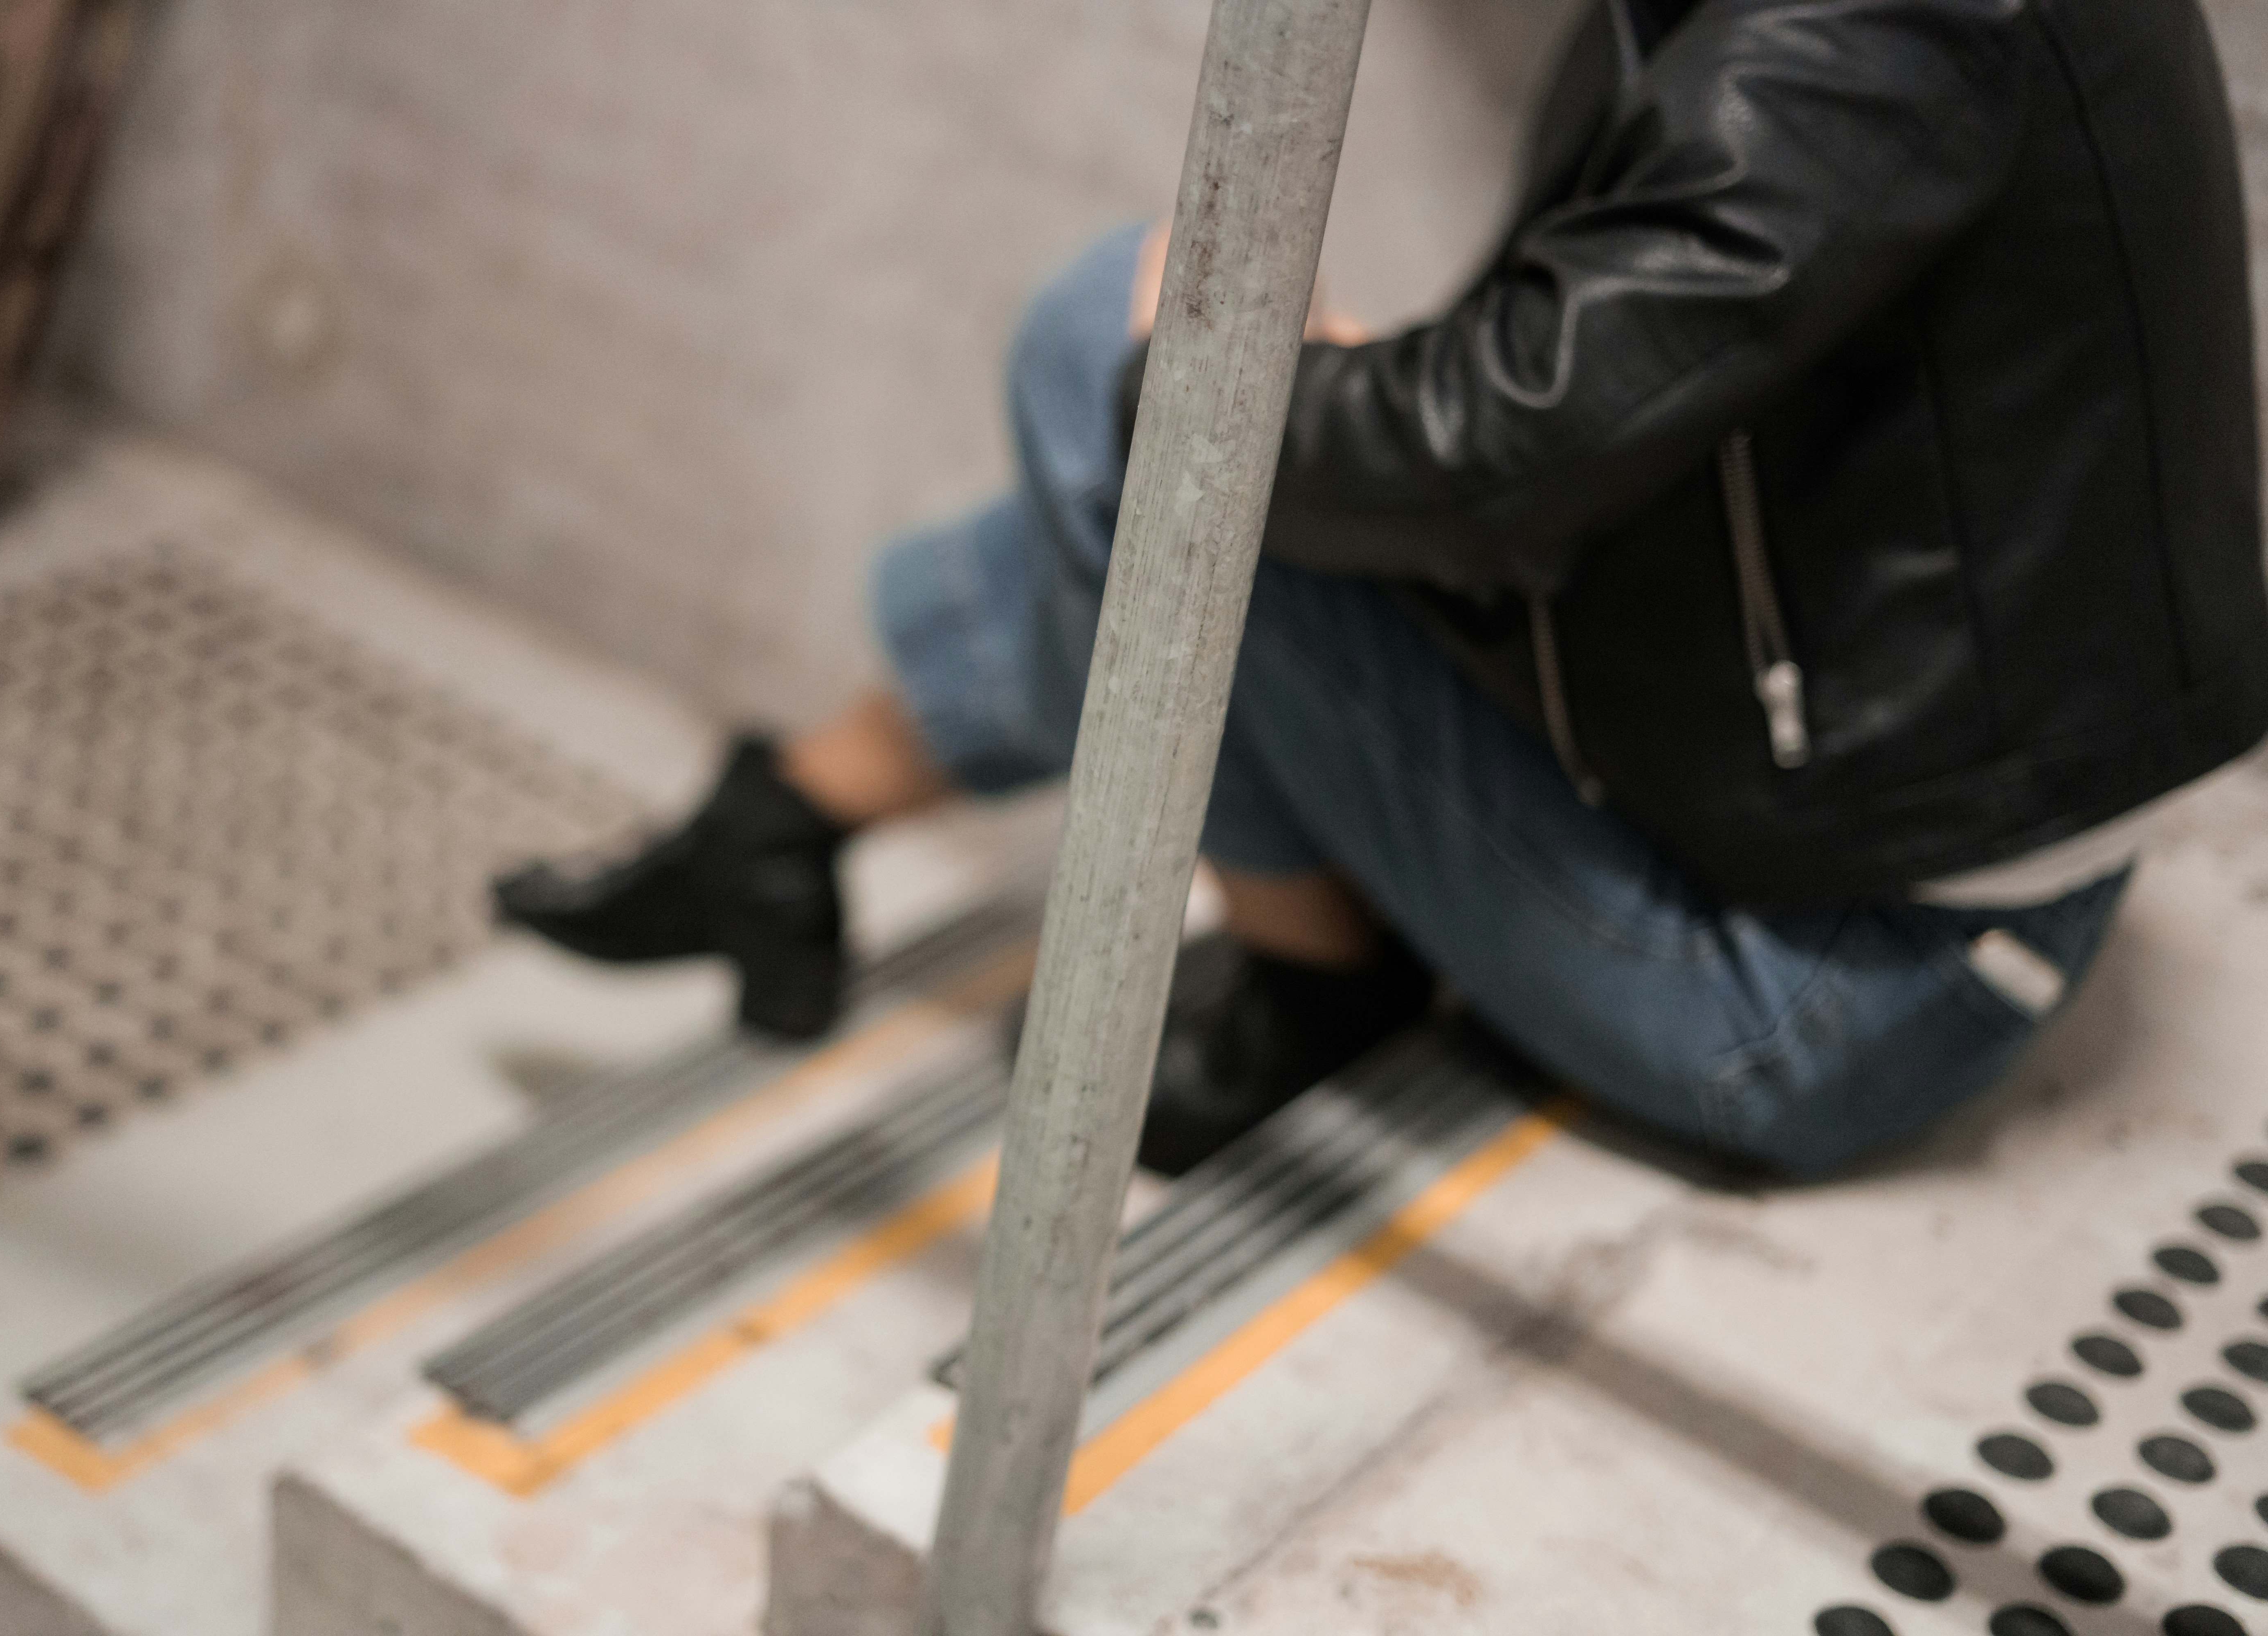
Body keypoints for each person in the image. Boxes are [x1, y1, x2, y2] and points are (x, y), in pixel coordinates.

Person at [496, 0, 2268, 1180]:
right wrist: (1334, 407)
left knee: (1119, 386)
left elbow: (1507, 451)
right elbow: (1590, 409)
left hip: (1825, 991)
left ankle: (1303, 976)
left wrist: (1275, 397)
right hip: (1805, 809)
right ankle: (791, 818)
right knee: (1176, 431)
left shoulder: (1871, 20)